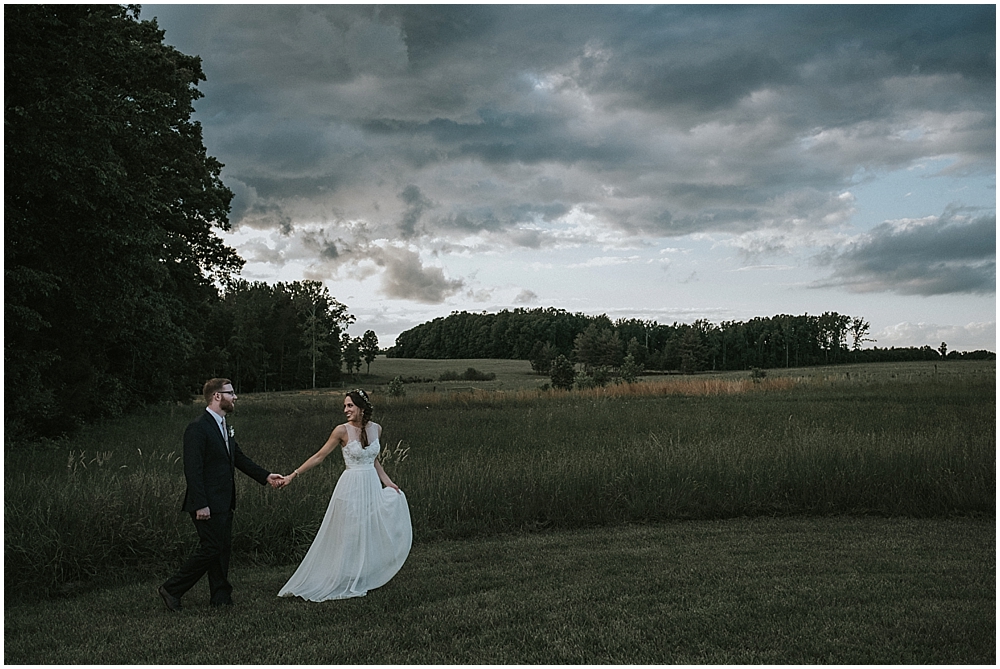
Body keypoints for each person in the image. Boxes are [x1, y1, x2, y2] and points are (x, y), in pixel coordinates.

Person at [158, 378, 282, 611]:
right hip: (205, 502)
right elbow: (192, 469)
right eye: (231, 393)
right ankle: (172, 589)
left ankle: (221, 596)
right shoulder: (198, 427)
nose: (235, 397)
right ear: (217, 396)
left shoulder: (224, 426)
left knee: (222, 548)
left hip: (225, 500)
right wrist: (200, 504)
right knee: (212, 548)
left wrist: (266, 476)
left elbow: (239, 458)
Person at [276, 389, 411, 601]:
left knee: (368, 528)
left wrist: (388, 482)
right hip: (351, 486)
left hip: (372, 485)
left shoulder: (377, 428)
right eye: (345, 406)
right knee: (350, 531)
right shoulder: (341, 431)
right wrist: (293, 475)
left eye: (350, 405)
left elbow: (373, 460)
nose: (345, 410)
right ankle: (344, 576)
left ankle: (363, 573)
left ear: (362, 408)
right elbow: (319, 456)